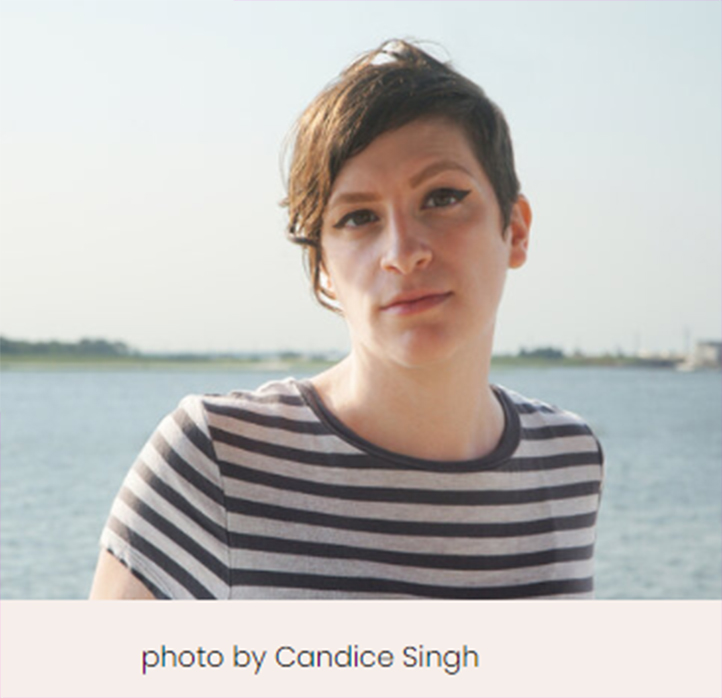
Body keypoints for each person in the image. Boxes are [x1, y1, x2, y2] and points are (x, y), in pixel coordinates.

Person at [90, 39, 603, 600]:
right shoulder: (215, 458)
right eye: (358, 217)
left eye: (442, 197)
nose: (403, 253)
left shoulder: (569, 459)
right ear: (323, 270)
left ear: (516, 229)